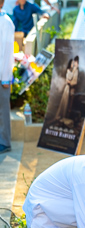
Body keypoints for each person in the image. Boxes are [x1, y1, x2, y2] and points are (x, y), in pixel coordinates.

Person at [0, 0, 14, 155]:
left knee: (3, 110)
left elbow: (7, 53)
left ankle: (5, 142)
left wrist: (5, 78)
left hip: (1, 74)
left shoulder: (6, 22)